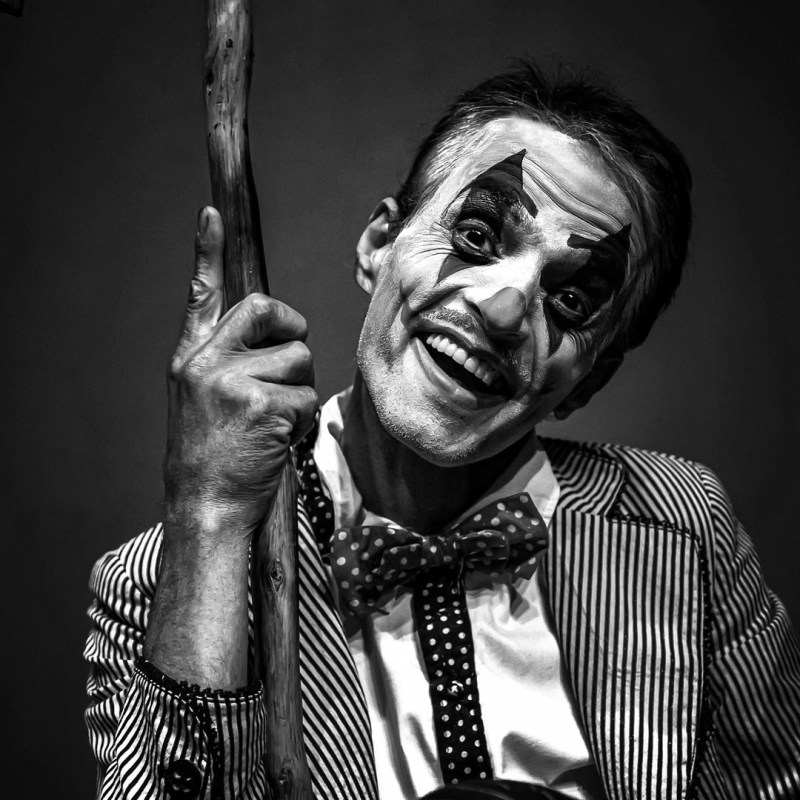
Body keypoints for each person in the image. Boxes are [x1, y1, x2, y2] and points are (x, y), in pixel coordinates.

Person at [84, 62, 800, 800]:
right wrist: (208, 513)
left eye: (572, 300)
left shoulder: (687, 529)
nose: (502, 310)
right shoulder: (163, 581)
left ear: (591, 379)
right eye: (478, 234)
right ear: (380, 243)